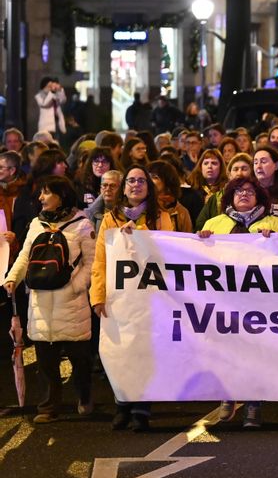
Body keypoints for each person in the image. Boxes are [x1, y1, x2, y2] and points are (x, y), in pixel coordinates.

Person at [3, 176, 95, 423]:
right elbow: (24, 256)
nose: (41, 198)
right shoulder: (36, 223)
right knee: (46, 362)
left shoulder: (82, 225)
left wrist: (76, 286)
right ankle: (48, 407)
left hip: (72, 303)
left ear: (61, 196)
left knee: (80, 359)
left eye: (46, 193)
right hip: (40, 301)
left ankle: (84, 397)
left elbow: (91, 262)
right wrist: (12, 278)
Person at [91, 166, 175, 431]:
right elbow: (100, 261)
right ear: (124, 187)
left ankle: (142, 409)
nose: (136, 185)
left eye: (141, 180)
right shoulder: (110, 218)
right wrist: (98, 296)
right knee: (120, 351)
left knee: (145, 352)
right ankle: (122, 404)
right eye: (131, 181)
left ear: (148, 186)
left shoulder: (160, 217)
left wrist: (139, 236)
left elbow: (168, 252)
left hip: (149, 298)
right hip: (118, 298)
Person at [198, 176, 278, 429]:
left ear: (259, 196)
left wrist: (274, 240)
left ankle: (254, 404)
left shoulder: (274, 223)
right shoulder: (214, 223)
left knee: (256, 351)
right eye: (238, 191)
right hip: (225, 299)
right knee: (227, 349)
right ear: (230, 197)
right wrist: (202, 240)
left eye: (250, 191)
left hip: (258, 300)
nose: (244, 194)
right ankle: (228, 395)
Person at [147, 160, 194, 233]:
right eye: (147, 176)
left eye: (155, 177)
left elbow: (187, 240)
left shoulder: (181, 212)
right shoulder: (143, 206)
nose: (149, 180)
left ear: (167, 182)